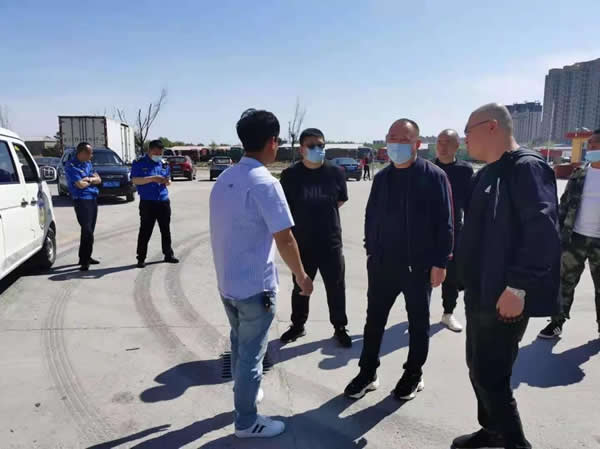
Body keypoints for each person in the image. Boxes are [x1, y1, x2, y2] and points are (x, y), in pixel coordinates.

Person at [453, 103, 560, 449]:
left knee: (491, 375)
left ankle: (514, 443)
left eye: (468, 131)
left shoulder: (526, 168)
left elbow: (542, 232)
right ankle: (492, 431)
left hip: (507, 295)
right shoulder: (485, 175)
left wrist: (519, 287)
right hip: (480, 292)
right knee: (477, 366)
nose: (465, 139)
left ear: (492, 127)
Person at [210, 109, 313, 439]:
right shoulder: (265, 184)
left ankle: (246, 393)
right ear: (272, 142)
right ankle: (246, 421)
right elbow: (285, 238)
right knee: (252, 356)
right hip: (255, 287)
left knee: (239, 344)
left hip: (228, 283)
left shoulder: (226, 178)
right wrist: (302, 276)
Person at [344, 118, 453, 402]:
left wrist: (441, 262)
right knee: (374, 321)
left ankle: (413, 374)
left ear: (418, 144)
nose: (397, 144)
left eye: (404, 140)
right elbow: (371, 216)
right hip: (383, 264)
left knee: (418, 323)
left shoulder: (434, 176)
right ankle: (367, 373)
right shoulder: (382, 178)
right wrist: (371, 251)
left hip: (419, 266)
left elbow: (446, 222)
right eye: (392, 138)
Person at [279, 128, 352, 347]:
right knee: (301, 286)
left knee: (336, 287)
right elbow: (285, 206)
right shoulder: (291, 175)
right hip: (302, 243)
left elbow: (340, 200)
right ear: (302, 149)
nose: (317, 149)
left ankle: (339, 327)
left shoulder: (335, 173)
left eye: (321, 145)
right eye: (311, 146)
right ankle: (298, 325)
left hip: (330, 242)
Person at [538, 128, 600, 339]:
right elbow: (564, 205)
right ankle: (557, 323)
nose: (590, 149)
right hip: (575, 238)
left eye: (595, 145)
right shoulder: (579, 174)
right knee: (564, 283)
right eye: (589, 145)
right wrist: (556, 234)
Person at [435, 129, 474, 332]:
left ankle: (448, 314)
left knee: (451, 277)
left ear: (457, 146)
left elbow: (470, 204)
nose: (442, 146)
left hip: (454, 232)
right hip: (427, 232)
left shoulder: (465, 170)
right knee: (421, 276)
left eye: (447, 142)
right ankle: (417, 313)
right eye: (439, 142)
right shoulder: (427, 168)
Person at [131, 140, 178, 268]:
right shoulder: (139, 162)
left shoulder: (164, 163)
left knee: (165, 230)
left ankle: (168, 254)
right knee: (145, 231)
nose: (158, 155)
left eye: (160, 153)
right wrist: (152, 179)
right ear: (150, 150)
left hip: (163, 201)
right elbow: (135, 180)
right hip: (148, 202)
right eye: (156, 153)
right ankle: (141, 258)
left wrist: (166, 181)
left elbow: (168, 180)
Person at [64, 142, 102, 271]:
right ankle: (85, 261)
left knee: (89, 230)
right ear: (82, 153)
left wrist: (89, 179)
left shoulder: (88, 164)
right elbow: (79, 185)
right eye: (90, 153)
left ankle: (85, 257)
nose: (92, 156)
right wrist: (91, 180)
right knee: (87, 230)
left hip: (92, 198)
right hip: (81, 200)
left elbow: (98, 179)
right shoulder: (71, 165)